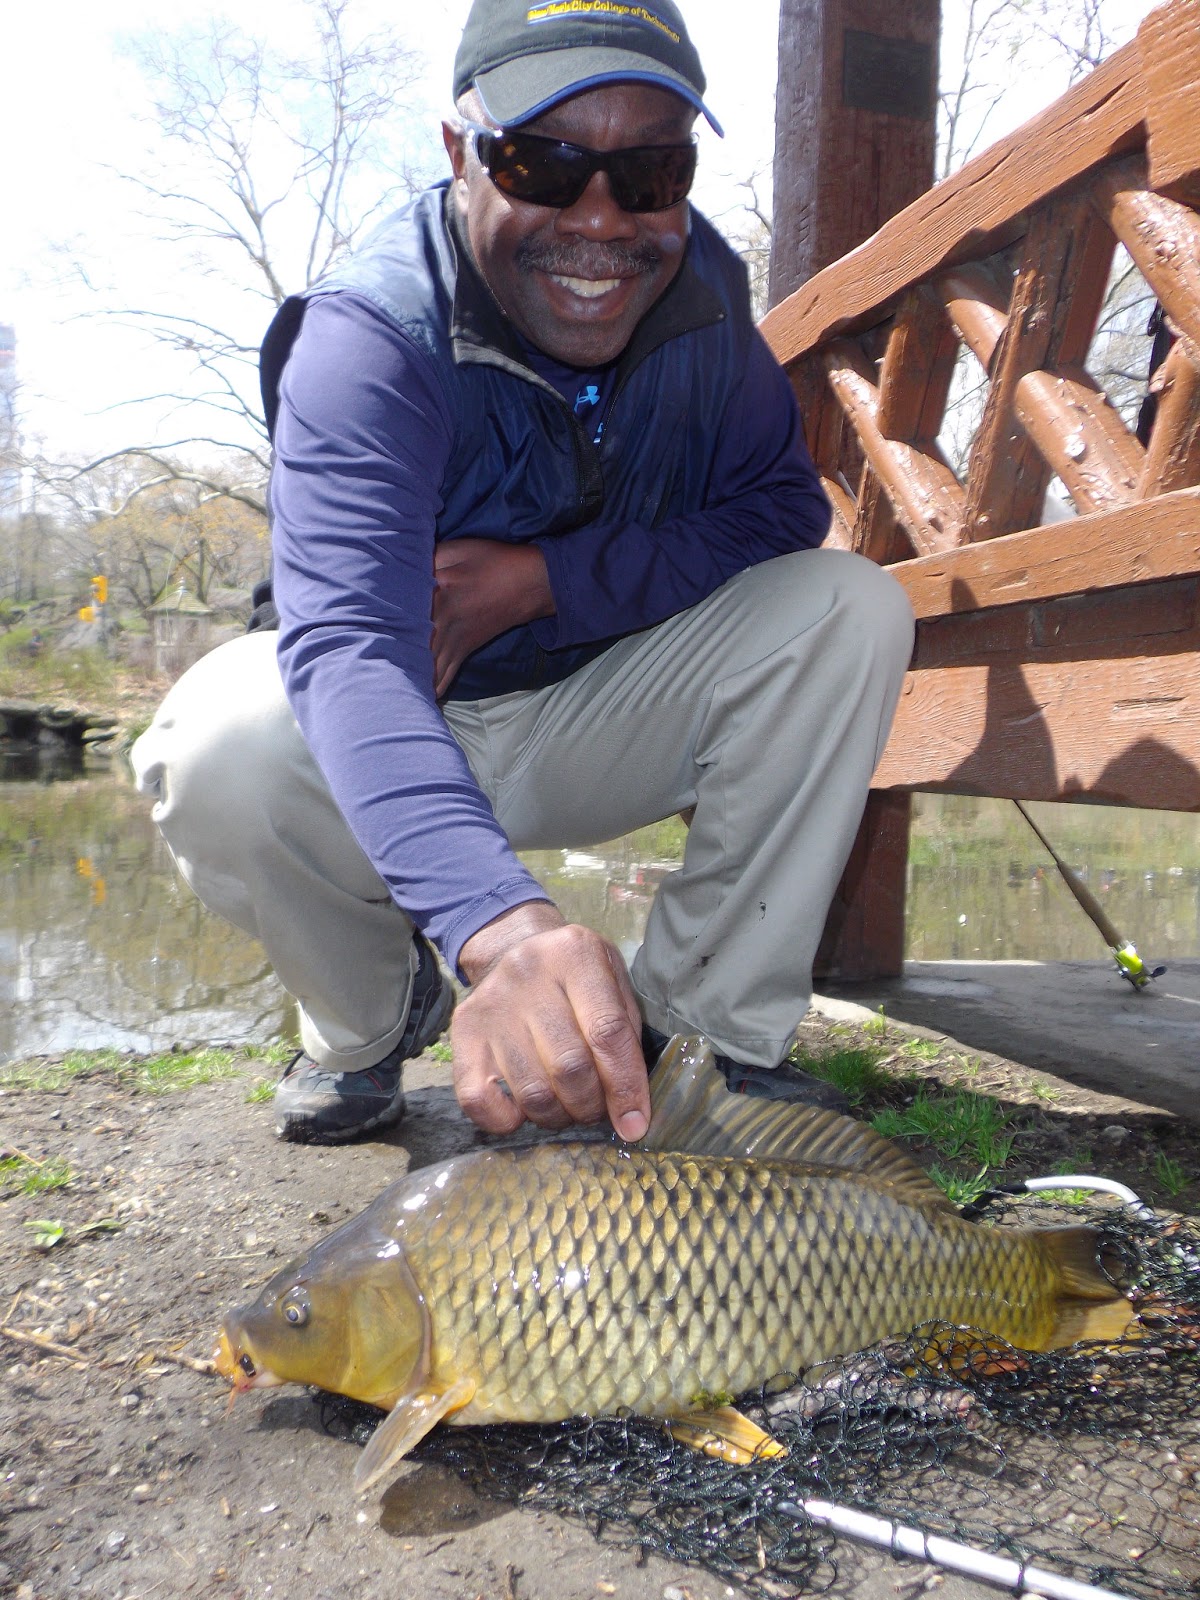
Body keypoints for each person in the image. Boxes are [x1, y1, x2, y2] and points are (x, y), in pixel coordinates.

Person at [131, 0, 914, 1147]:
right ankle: (364, 1025)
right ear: (461, 153)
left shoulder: (703, 311)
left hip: (596, 712)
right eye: (541, 162)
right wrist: (499, 926)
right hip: (395, 726)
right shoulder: (368, 337)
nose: (600, 219)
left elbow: (783, 508)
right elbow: (346, 650)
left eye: (650, 171)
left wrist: (549, 578)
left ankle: (703, 1036)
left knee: (849, 608)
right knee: (218, 742)